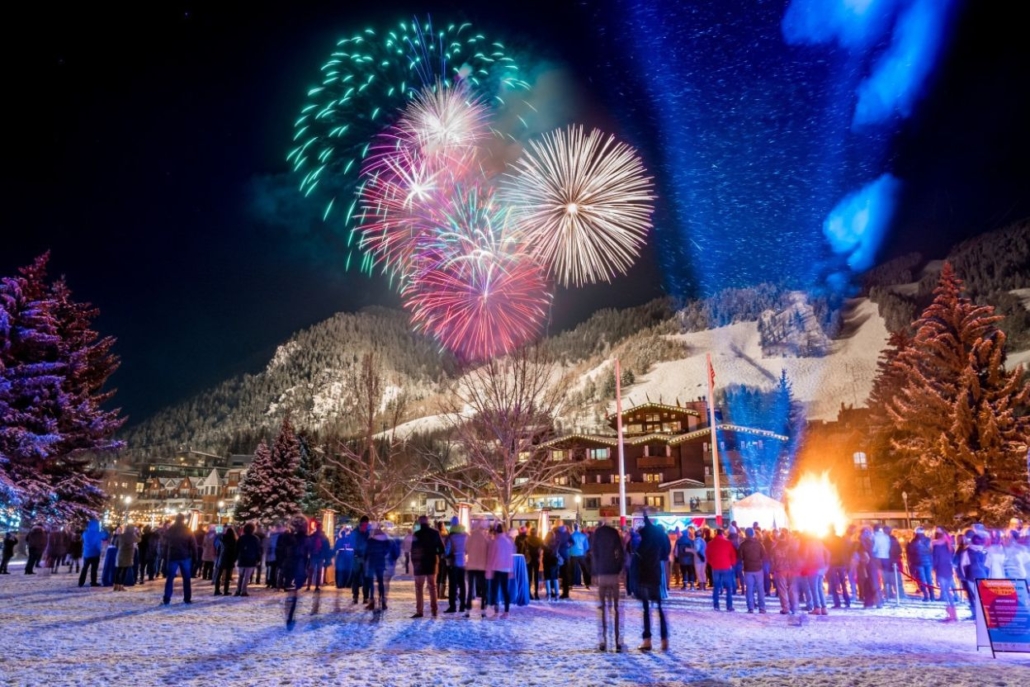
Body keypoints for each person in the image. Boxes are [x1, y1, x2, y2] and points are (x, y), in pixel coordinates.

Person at [634, 515, 671, 651]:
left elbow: (635, 559)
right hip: (655, 576)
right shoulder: (658, 542)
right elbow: (665, 553)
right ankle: (664, 639)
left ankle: (647, 640)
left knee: (646, 610)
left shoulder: (641, 543)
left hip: (644, 577)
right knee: (659, 609)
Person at [591, 518, 626, 652]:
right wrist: (619, 568)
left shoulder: (597, 534)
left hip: (602, 573)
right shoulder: (614, 533)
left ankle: (603, 640)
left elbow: (594, 553)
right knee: (616, 609)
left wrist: (595, 572)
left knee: (603, 608)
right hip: (613, 572)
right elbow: (620, 552)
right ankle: (617, 640)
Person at [279, 515, 311, 630]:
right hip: (299, 566)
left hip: (289, 565)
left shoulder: (287, 537)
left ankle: (289, 614)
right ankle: (290, 615)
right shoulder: (306, 539)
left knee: (290, 592)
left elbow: (281, 551)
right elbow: (308, 554)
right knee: (294, 592)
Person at [410, 515, 444, 618]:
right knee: (432, 587)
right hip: (431, 564)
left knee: (419, 588)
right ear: (428, 522)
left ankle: (419, 611)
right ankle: (434, 610)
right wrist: (434, 552)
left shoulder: (416, 534)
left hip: (419, 564)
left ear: (420, 522)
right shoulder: (434, 533)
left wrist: (414, 562)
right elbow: (442, 549)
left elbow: (413, 550)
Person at [162, 514, 197, 605]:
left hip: (173, 556)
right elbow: (193, 545)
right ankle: (187, 598)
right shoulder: (187, 530)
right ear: (183, 520)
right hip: (185, 556)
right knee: (186, 579)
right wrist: (195, 557)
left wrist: (165, 556)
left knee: (170, 579)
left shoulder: (170, 530)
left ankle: (167, 598)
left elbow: (164, 544)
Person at [485, 523, 514, 619]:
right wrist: (511, 569)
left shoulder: (495, 542)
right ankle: (506, 612)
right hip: (506, 569)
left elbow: (491, 556)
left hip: (496, 568)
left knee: (495, 590)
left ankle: (496, 611)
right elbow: (510, 556)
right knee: (505, 590)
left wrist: (489, 570)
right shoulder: (508, 541)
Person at [365, 526, 396, 611]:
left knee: (371, 583)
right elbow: (388, 550)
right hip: (381, 562)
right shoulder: (385, 541)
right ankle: (382, 601)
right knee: (380, 582)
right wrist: (382, 554)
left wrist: (365, 560)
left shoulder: (370, 541)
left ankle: (372, 602)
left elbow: (366, 551)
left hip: (372, 562)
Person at [707, 527, 737, 611]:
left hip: (715, 567)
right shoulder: (728, 543)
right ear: (723, 533)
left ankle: (716, 605)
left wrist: (712, 563)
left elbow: (708, 555)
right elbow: (733, 555)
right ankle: (729, 606)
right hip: (726, 566)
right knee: (728, 587)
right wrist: (732, 564)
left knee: (716, 587)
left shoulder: (710, 543)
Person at [739, 527, 767, 613]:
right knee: (760, 589)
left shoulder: (743, 545)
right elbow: (764, 555)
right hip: (758, 568)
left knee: (749, 589)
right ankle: (762, 608)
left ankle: (750, 607)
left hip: (748, 569)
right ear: (753, 534)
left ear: (746, 534)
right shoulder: (759, 544)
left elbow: (740, 556)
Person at [465, 522, 490, 617]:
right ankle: (483, 609)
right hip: (482, 566)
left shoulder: (470, 538)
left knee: (470, 588)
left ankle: (467, 610)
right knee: (484, 588)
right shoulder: (485, 538)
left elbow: (466, 549)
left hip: (471, 566)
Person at [443, 517, 468, 614]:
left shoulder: (451, 537)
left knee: (452, 585)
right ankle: (462, 605)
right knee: (462, 584)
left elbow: (448, 550)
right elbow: (467, 550)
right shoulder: (465, 535)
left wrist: (444, 555)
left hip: (453, 563)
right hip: (462, 562)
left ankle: (452, 606)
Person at [235, 522, 261, 597]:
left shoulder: (241, 538)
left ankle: (238, 590)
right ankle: (244, 591)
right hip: (251, 559)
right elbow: (258, 550)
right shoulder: (255, 538)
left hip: (242, 559)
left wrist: (236, 558)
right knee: (247, 576)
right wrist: (258, 559)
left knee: (241, 576)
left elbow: (237, 549)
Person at [350, 516, 371, 605]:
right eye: (365, 524)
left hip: (365, 558)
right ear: (361, 523)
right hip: (357, 557)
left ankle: (365, 597)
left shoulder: (367, 533)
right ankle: (355, 596)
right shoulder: (355, 532)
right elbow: (352, 543)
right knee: (356, 578)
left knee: (366, 578)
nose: (366, 526)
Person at [305, 521, 331, 592]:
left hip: (317, 555)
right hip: (317, 555)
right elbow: (327, 547)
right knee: (314, 571)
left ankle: (312, 586)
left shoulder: (316, 536)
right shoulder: (321, 537)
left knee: (315, 571)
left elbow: (326, 547)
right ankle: (312, 586)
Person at [213, 525, 237, 596]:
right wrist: (234, 559)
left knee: (219, 574)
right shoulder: (233, 541)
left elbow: (218, 548)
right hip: (229, 559)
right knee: (227, 576)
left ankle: (217, 590)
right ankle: (226, 591)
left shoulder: (222, 539)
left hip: (221, 558)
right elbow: (234, 551)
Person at [78, 520, 103, 587]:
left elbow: (83, 540)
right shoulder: (98, 533)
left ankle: (81, 582)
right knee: (94, 569)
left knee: (85, 568)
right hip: (95, 553)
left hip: (87, 553)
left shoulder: (85, 533)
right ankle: (93, 582)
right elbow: (105, 536)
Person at [114, 524, 139, 591]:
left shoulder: (121, 536)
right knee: (124, 571)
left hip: (120, 554)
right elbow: (139, 540)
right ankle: (121, 586)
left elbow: (115, 544)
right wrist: (137, 533)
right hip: (128, 555)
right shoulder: (132, 536)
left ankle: (116, 585)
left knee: (118, 571)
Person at [570, 523, 591, 589]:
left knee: (571, 570)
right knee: (584, 569)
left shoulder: (571, 536)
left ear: (573, 528)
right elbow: (587, 547)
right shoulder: (583, 536)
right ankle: (587, 583)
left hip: (572, 554)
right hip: (581, 554)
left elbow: (568, 546)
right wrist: (584, 552)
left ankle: (570, 584)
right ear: (578, 528)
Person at [525, 526, 543, 600]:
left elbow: (524, 549)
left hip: (529, 559)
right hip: (536, 559)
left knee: (529, 576)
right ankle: (536, 593)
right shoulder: (539, 540)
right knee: (536, 576)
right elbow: (542, 549)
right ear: (536, 533)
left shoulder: (527, 540)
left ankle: (529, 593)